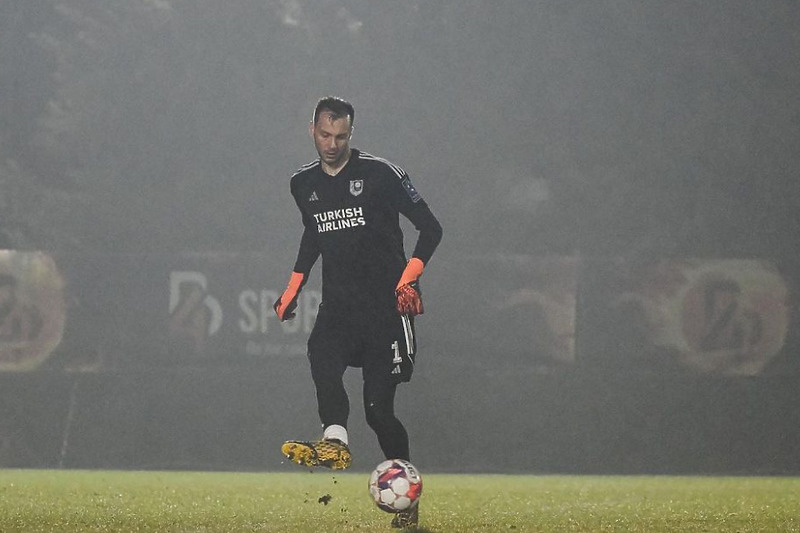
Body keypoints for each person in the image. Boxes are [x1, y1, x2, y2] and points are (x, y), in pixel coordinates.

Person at [274, 96, 442, 528]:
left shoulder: (380, 174)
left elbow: (431, 227)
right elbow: (314, 234)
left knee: (378, 411)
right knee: (320, 354)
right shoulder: (302, 184)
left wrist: (410, 277)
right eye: (325, 135)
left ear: (352, 133)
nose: (332, 144)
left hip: (385, 310)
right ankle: (333, 440)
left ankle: (408, 500)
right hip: (339, 307)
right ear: (311, 129)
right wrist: (294, 287)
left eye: (342, 136)